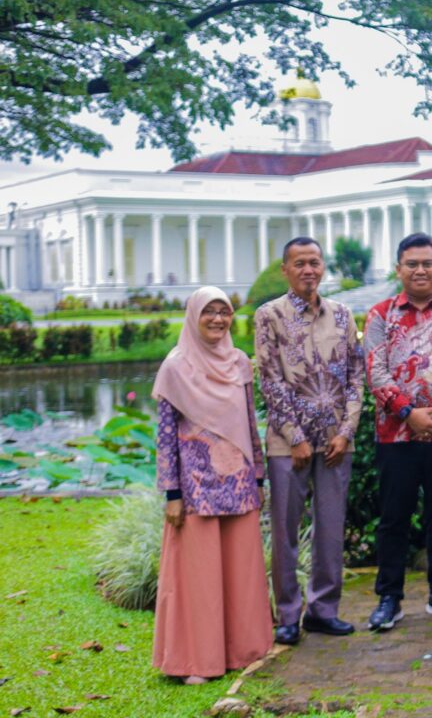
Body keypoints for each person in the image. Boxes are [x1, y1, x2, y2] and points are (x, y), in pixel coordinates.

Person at [152, 287, 273, 683]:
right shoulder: (175, 367)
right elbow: (166, 437)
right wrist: (172, 493)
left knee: (241, 574)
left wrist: (257, 477)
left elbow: (250, 425)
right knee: (199, 579)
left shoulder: (239, 363)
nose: (218, 319)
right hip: (196, 489)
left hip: (238, 484)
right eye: (210, 312)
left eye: (225, 312)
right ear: (194, 316)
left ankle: (243, 650)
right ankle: (196, 662)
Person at [255, 237, 364, 645]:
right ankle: (287, 614)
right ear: (285, 269)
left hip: (337, 442)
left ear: (323, 267)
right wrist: (296, 436)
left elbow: (356, 377)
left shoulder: (342, 315)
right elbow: (270, 380)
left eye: (314, 262)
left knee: (331, 529)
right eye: (299, 263)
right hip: (290, 446)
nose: (308, 270)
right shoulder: (270, 316)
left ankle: (323, 610)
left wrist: (346, 431)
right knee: (285, 529)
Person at [363, 233, 432, 632]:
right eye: (412, 264)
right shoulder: (380, 316)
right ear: (399, 269)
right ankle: (389, 598)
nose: (420, 270)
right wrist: (409, 414)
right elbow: (375, 373)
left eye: (427, 263)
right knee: (394, 518)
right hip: (396, 437)